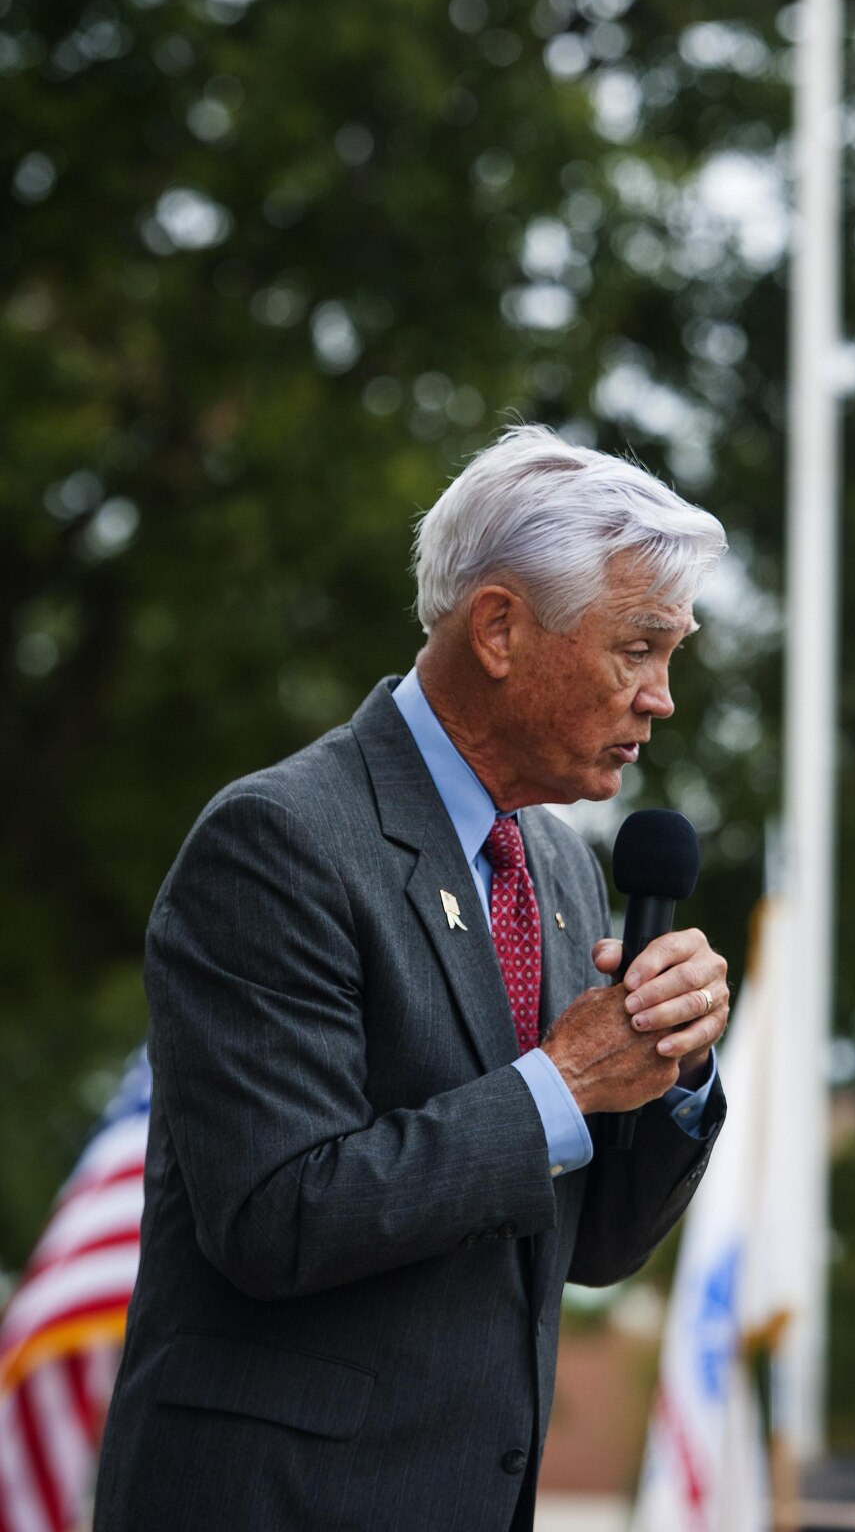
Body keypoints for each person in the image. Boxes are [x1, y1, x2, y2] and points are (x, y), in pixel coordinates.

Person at [94, 426, 732, 1532]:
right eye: (637, 646)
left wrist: (666, 1066)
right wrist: (565, 1081)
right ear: (498, 627)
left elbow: (589, 1247)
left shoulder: (564, 866)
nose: (660, 697)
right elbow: (276, 1214)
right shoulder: (279, 839)